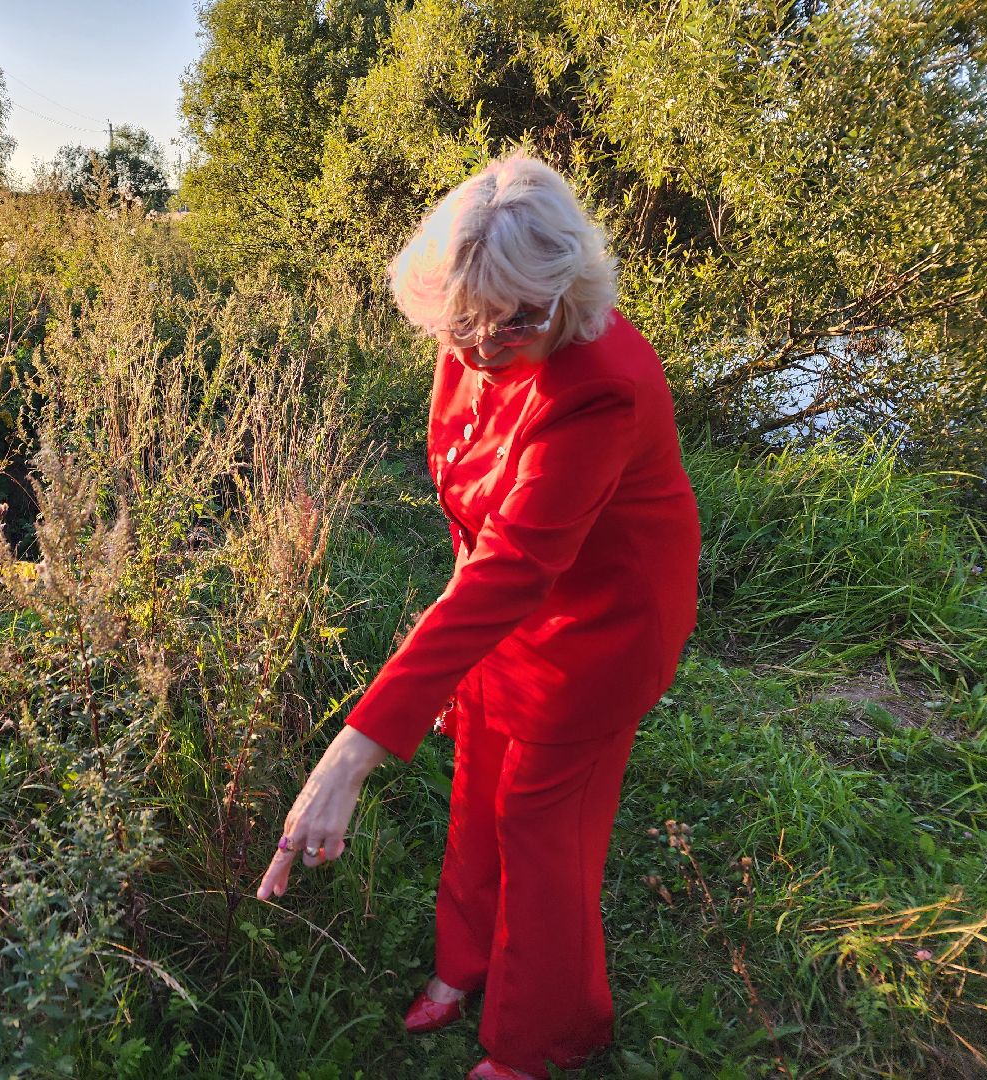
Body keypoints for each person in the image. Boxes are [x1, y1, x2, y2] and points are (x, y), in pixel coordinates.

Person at [254, 153, 702, 1079]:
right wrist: (456, 669)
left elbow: (517, 566)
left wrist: (353, 749)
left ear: (567, 290)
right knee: (475, 791)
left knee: (545, 830)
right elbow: (481, 529)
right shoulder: (473, 331)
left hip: (602, 625)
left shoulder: (599, 385)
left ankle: (539, 1039)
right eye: (463, 324)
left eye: (517, 322)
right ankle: (463, 966)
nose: (487, 348)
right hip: (499, 604)